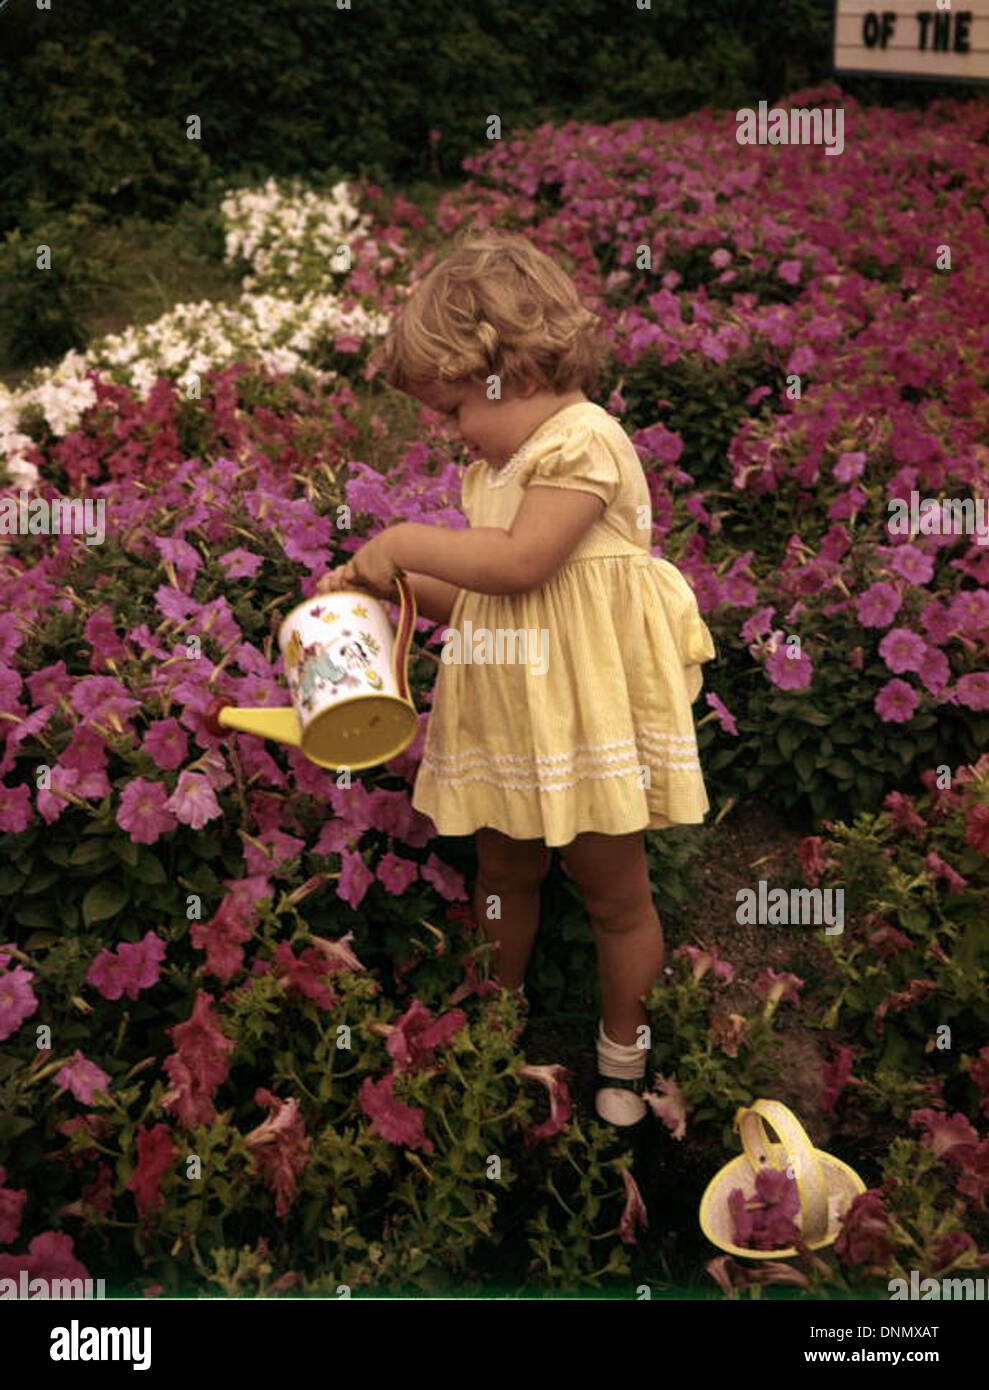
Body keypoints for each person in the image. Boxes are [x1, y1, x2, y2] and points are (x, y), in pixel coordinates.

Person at [317, 231, 716, 1127]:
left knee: (615, 892)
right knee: (504, 873)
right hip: (513, 717)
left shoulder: (585, 444)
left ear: (515, 369)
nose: (449, 430)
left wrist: (400, 541)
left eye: (455, 407)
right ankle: (498, 1028)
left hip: (579, 721)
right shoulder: (498, 469)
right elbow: (480, 598)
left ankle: (622, 1054)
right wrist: (388, 590)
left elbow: (526, 565)